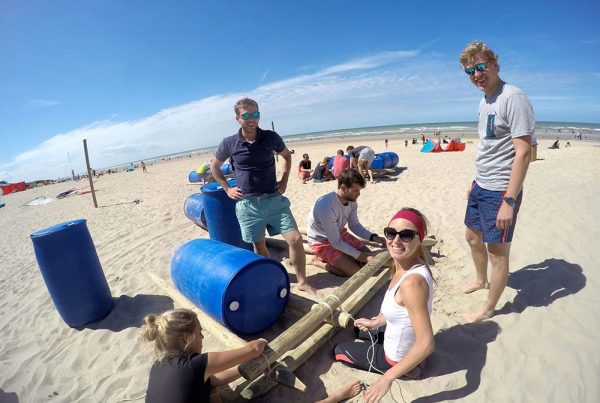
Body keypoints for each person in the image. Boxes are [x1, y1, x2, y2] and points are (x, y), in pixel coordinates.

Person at [459, 41, 535, 323]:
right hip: (481, 185)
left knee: (498, 253)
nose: (476, 74)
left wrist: (509, 201)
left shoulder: (513, 98)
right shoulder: (484, 101)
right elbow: (488, 147)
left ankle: (489, 308)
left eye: (481, 67)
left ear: (495, 65)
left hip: (501, 190)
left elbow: (523, 153)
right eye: (470, 71)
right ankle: (481, 280)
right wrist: (475, 180)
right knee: (472, 237)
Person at [211, 98, 316, 294]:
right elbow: (214, 167)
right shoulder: (229, 143)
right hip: (247, 205)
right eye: (246, 116)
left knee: (295, 239)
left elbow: (286, 155)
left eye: (255, 114)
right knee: (259, 246)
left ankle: (302, 282)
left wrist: (284, 180)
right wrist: (227, 188)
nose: (252, 119)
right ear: (237, 119)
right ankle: (272, 279)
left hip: (273, 200)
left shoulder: (271, 137)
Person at [333, 208, 435, 402]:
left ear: (419, 239)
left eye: (406, 235)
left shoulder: (411, 283)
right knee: (358, 330)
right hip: (403, 337)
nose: (396, 241)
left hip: (396, 358)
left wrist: (387, 378)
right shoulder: (408, 263)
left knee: (339, 351)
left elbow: (427, 343)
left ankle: (407, 369)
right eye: (391, 233)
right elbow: (401, 310)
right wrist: (376, 322)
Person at [141, 309, 268, 403]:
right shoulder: (194, 365)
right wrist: (263, 341)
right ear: (186, 338)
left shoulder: (158, 364)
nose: (202, 337)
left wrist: (242, 369)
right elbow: (254, 349)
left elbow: (213, 380)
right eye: (199, 332)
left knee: (210, 387)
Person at [307, 168, 386, 277]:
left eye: (359, 190)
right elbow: (336, 242)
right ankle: (316, 261)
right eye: (355, 190)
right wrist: (363, 257)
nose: (358, 194)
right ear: (343, 188)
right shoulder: (326, 206)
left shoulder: (351, 201)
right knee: (355, 272)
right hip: (321, 242)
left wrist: (373, 237)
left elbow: (354, 225)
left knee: (366, 259)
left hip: (339, 234)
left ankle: (345, 259)